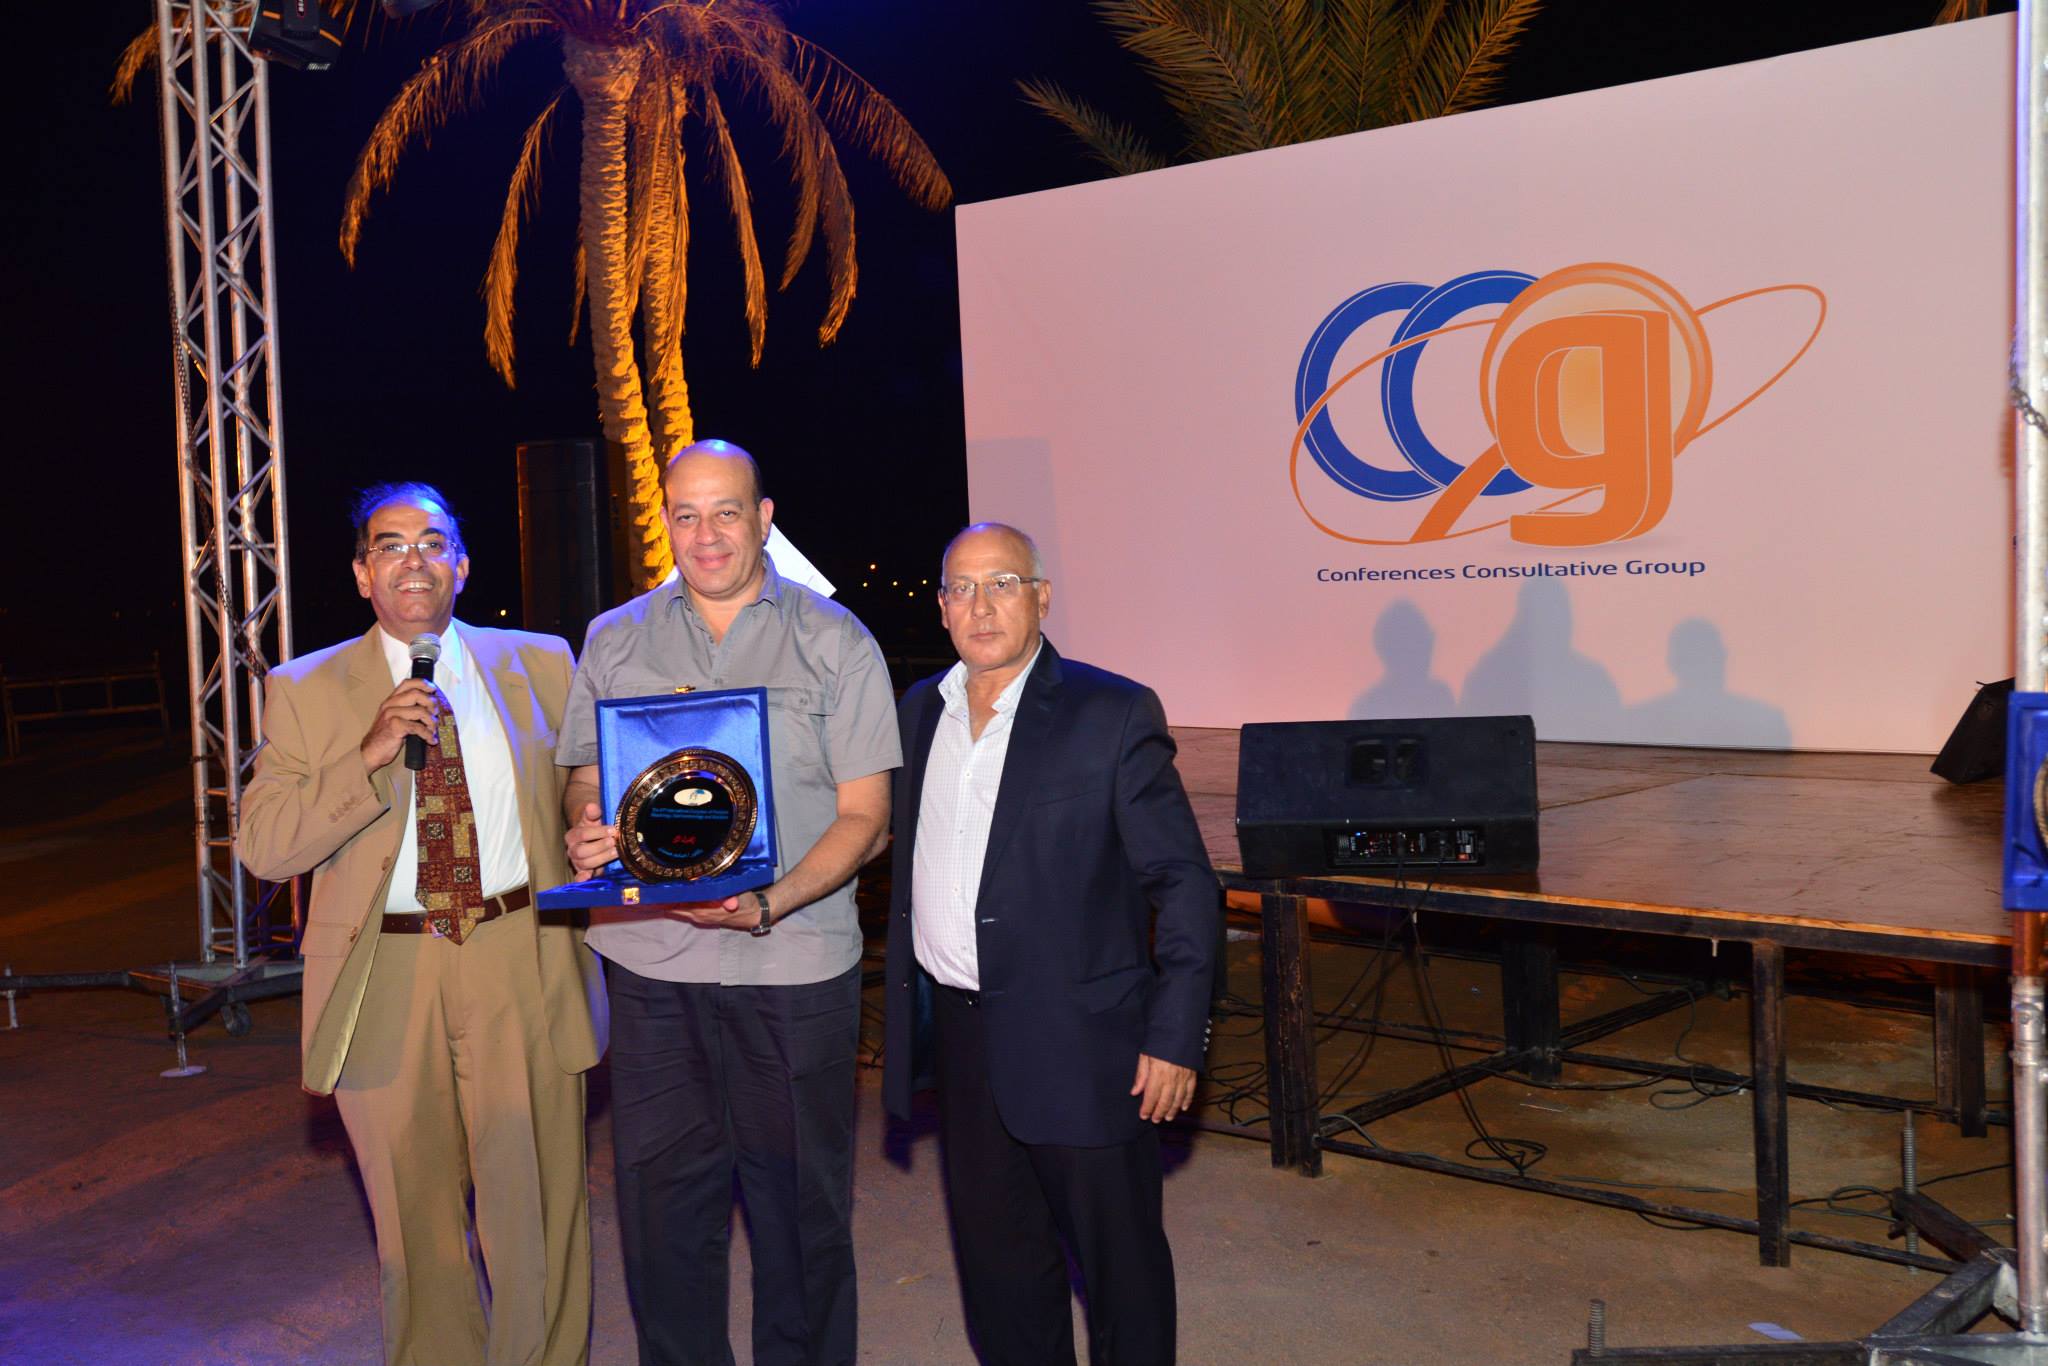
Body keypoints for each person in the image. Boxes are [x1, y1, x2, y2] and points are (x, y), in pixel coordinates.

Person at [238, 482, 605, 1366]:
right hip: (384, 969)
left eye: (433, 542)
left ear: (461, 566)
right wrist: (368, 753)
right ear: (362, 573)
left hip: (518, 953)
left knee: (537, 1207)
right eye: (390, 544)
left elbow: (579, 778)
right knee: (415, 1219)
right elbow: (266, 849)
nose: (414, 559)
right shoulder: (303, 687)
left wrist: (585, 821)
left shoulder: (541, 661)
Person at [558, 439, 899, 1366]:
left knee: (800, 1211)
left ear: (764, 518)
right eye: (687, 514)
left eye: (726, 512)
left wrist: (769, 903)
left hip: (792, 965)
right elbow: (586, 779)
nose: (706, 534)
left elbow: (867, 817)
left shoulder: (835, 639)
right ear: (665, 522)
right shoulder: (615, 637)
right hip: (652, 967)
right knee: (661, 1212)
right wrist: (586, 826)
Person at [882, 522, 1220, 1366]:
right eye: (962, 588)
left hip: (1085, 1045)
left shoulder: (1111, 713)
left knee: (1121, 1278)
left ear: (1041, 597)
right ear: (942, 606)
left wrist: (1175, 1036)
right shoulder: (919, 711)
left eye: (1002, 584)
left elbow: (1184, 884)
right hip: (963, 1040)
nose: (981, 606)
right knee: (1001, 1278)